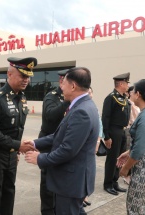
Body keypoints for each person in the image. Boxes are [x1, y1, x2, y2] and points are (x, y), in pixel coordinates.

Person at [25, 67, 99, 215]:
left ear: (73, 86)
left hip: (71, 182)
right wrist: (35, 143)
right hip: (74, 179)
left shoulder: (81, 111)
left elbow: (68, 149)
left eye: (63, 83)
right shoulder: (84, 105)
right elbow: (60, 135)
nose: (61, 86)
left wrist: (40, 158)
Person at [0, 57, 37, 215]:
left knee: (9, 193)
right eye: (22, 75)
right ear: (9, 74)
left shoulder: (22, 98)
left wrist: (16, 149)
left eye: (27, 76)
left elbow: (17, 128)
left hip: (11, 155)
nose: (26, 80)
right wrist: (17, 145)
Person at [38, 69, 70, 215]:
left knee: (60, 177)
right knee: (47, 179)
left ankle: (57, 207)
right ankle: (47, 210)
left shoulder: (73, 98)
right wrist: (66, 102)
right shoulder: (52, 96)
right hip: (48, 142)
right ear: (61, 81)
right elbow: (50, 116)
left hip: (63, 142)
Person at [117, 79, 145, 215]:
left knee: (135, 207)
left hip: (142, 170)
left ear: (138, 94)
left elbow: (140, 149)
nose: (130, 94)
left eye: (132, 91)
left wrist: (125, 168)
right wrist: (128, 152)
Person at [102, 72, 131, 195]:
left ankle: (114, 182)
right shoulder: (111, 97)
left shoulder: (123, 97)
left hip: (122, 131)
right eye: (126, 83)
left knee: (120, 158)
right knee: (112, 158)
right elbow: (105, 117)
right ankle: (108, 183)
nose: (128, 85)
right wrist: (107, 136)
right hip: (113, 131)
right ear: (120, 83)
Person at [123, 86, 140, 185]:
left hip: (136, 130)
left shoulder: (138, 106)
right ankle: (127, 175)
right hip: (130, 130)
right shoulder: (129, 104)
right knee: (129, 150)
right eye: (133, 92)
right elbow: (132, 119)